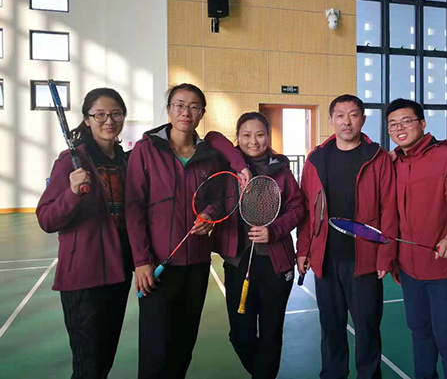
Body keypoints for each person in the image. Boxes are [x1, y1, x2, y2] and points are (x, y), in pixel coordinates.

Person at [125, 83, 249, 379]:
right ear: (169, 109)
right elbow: (134, 208)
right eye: (179, 105)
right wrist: (141, 261)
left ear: (202, 113)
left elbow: (223, 195)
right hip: (157, 266)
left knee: (183, 345)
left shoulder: (210, 155)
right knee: (156, 350)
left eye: (194, 107)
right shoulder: (146, 150)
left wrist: (210, 214)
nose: (186, 112)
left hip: (196, 265)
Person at [296, 94, 398, 379]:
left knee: (367, 329)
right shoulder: (316, 159)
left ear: (362, 119)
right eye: (340, 115)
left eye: (353, 115)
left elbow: (390, 209)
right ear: (331, 119)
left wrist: (385, 253)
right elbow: (307, 208)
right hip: (326, 259)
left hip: (364, 261)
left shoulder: (378, 158)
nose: (347, 121)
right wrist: (303, 250)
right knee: (330, 328)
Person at [37, 87, 132, 378]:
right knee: (88, 366)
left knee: (104, 360)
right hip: (84, 276)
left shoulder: (124, 160)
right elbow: (46, 218)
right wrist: (72, 193)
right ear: (87, 119)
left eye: (115, 113)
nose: (109, 120)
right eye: (100, 114)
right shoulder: (70, 160)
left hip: (119, 272)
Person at [209, 112, 304, 379]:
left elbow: (297, 208)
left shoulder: (282, 170)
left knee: (271, 334)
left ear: (268, 137)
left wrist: (274, 231)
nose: (253, 141)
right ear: (238, 137)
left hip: (276, 264)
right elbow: (212, 137)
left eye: (260, 134)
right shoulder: (226, 165)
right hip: (238, 263)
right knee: (240, 335)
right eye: (246, 135)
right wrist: (241, 166)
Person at [386, 98, 447, 379]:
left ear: (422, 124)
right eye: (393, 124)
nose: (400, 128)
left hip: (443, 268)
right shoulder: (392, 163)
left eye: (406, 121)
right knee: (420, 333)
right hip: (408, 269)